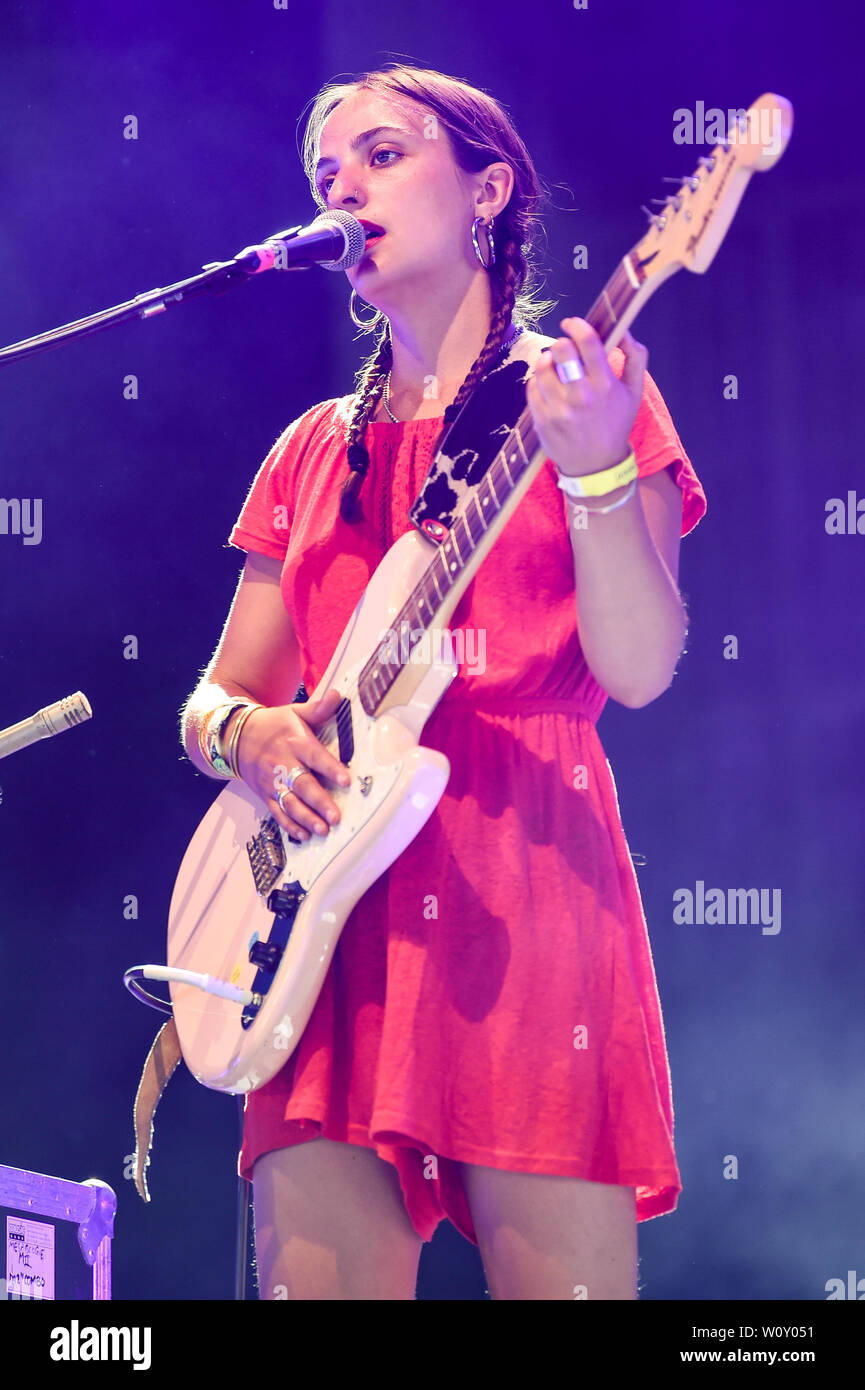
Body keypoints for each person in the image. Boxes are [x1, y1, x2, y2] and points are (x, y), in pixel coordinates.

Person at [179, 61, 706, 1301]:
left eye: (380, 154)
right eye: (324, 173)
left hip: (527, 880)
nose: (342, 187)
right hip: (323, 907)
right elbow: (211, 700)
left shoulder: (584, 398)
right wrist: (251, 739)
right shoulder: (313, 450)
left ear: (489, 189)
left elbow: (639, 668)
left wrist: (589, 473)